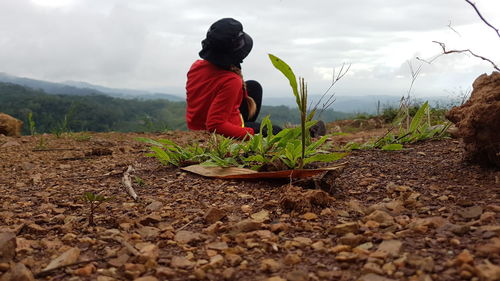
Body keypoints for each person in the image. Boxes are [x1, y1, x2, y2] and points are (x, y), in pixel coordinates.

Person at [185, 18, 280, 139]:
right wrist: (251, 133)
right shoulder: (231, 81)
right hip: (221, 128)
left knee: (253, 87)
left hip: (197, 124)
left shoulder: (196, 66)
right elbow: (215, 125)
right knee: (276, 131)